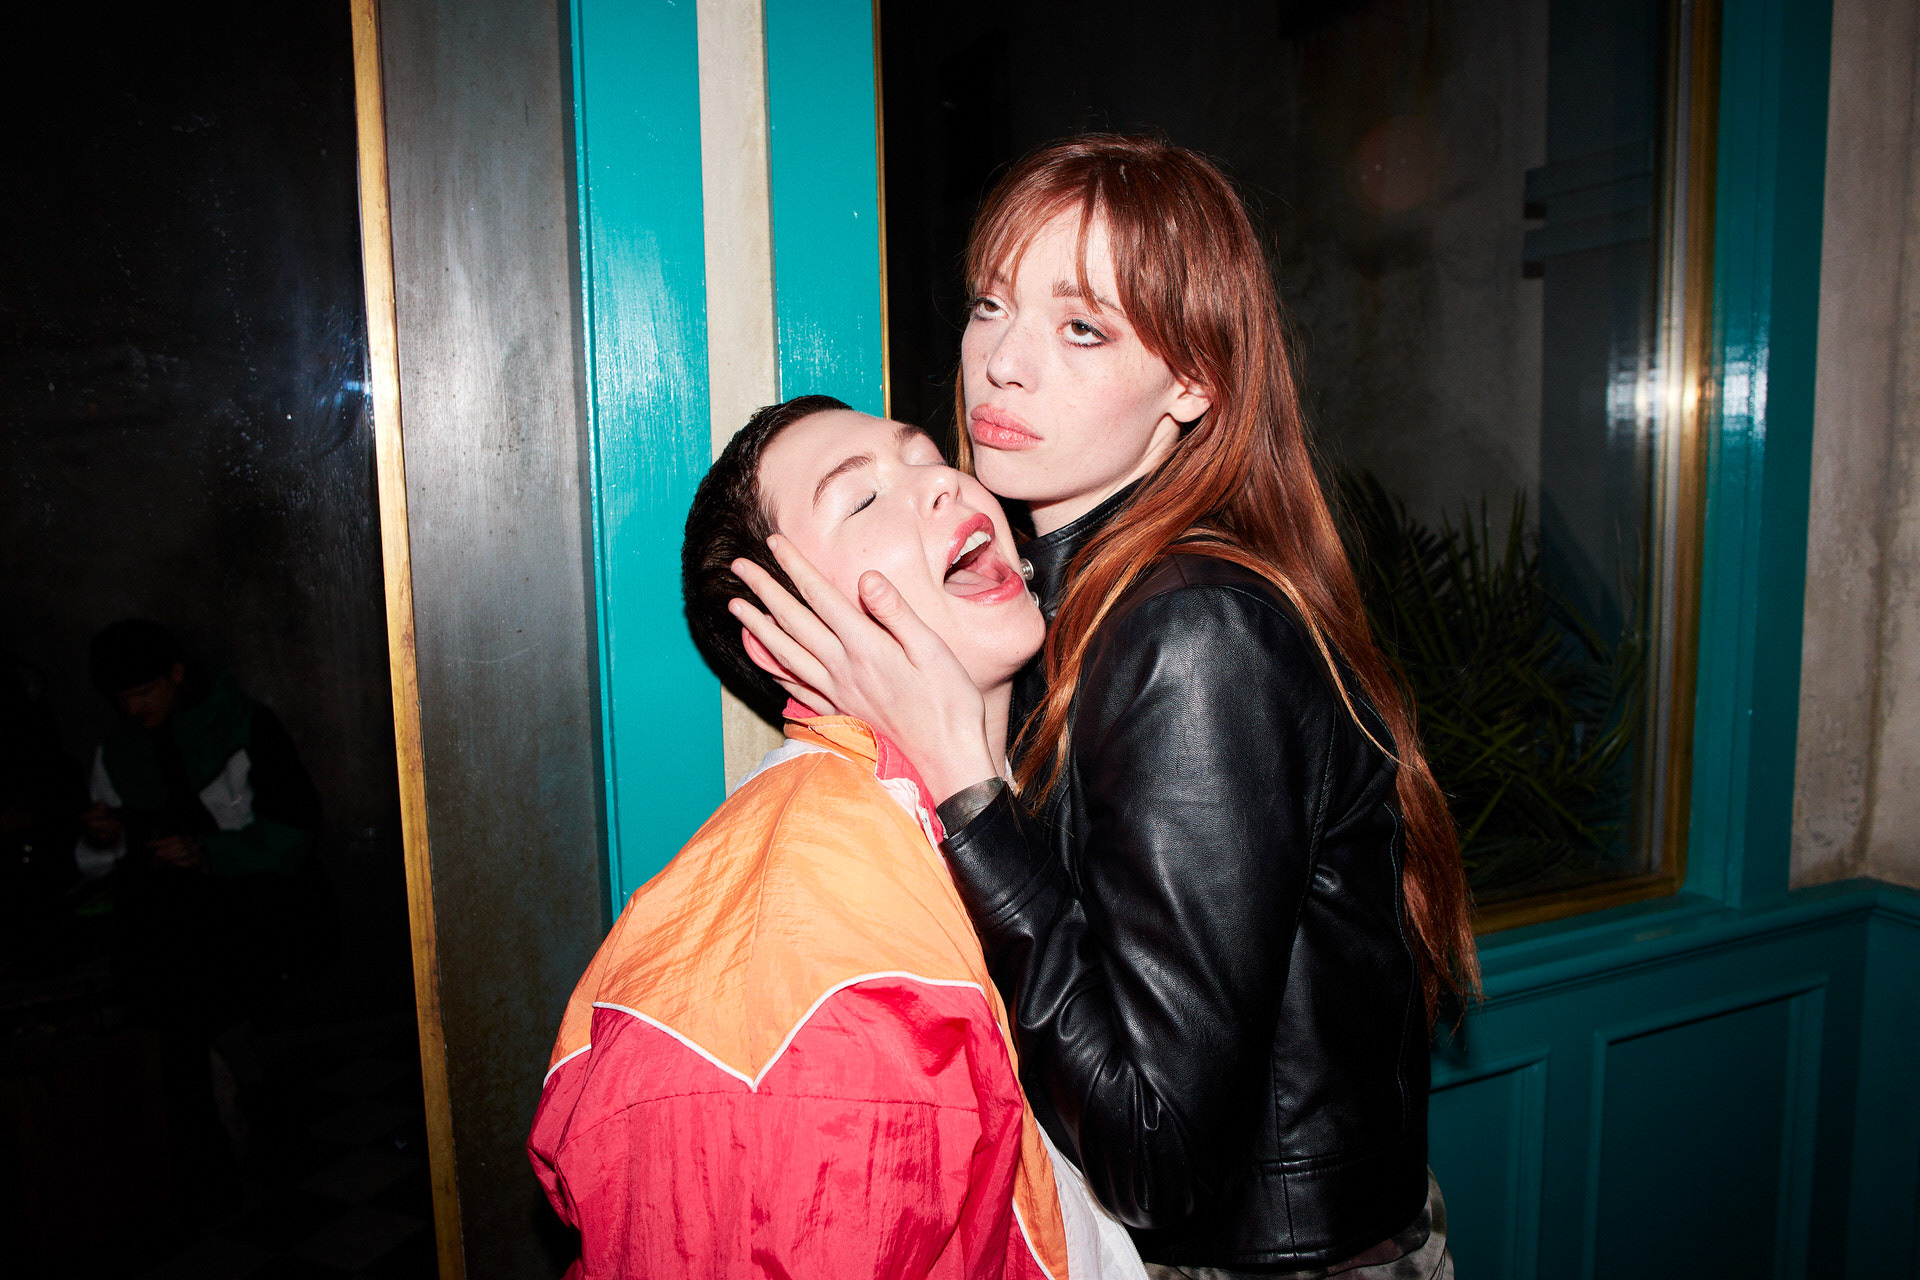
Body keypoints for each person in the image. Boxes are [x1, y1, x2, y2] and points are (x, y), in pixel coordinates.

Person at [729, 136, 1479, 1278]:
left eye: (1082, 327)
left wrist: (966, 785)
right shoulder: (1060, 601)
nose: (1002, 363)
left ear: (1195, 383)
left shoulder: (1193, 630)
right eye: (991, 305)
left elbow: (1154, 1150)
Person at [528, 397, 1144, 1279]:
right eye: (860, 499)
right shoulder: (797, 952)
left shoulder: (1030, 788)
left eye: (927, 455)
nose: (943, 483)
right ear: (783, 641)